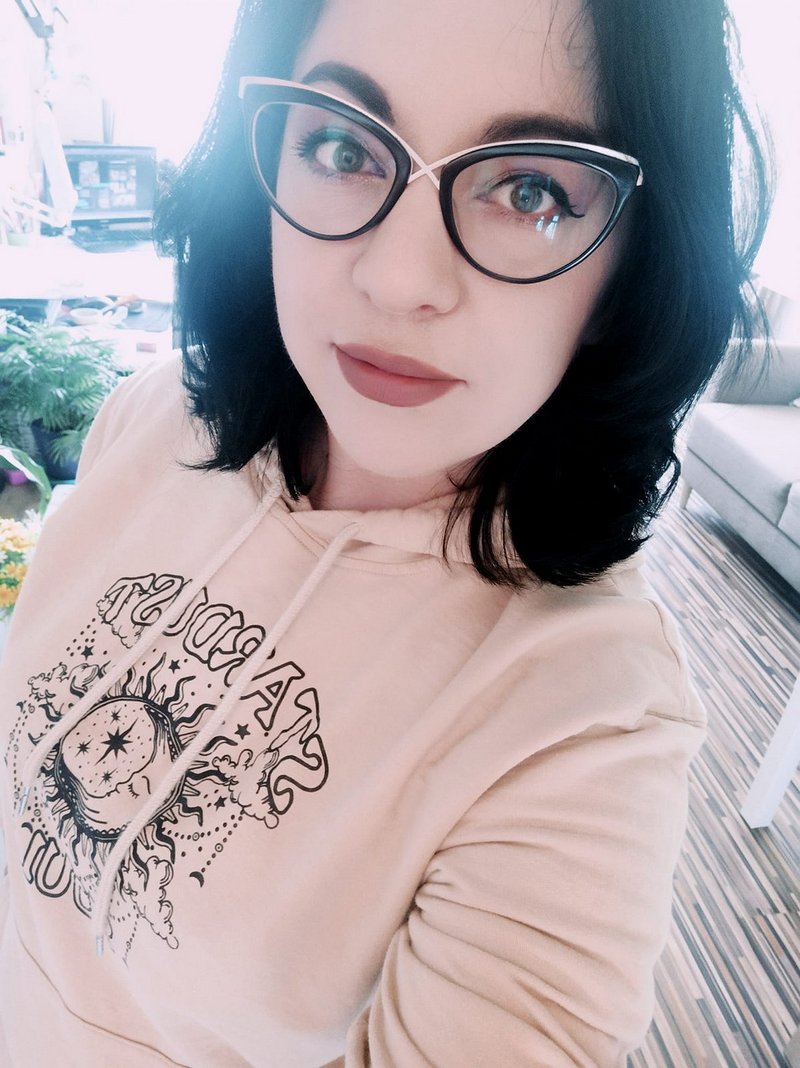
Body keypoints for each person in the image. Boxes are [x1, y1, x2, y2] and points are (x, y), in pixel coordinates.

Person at [0, 0, 770, 1064]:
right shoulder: (155, 414)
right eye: (341, 146)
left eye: (530, 190)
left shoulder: (586, 719)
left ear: (627, 271)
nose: (396, 279)